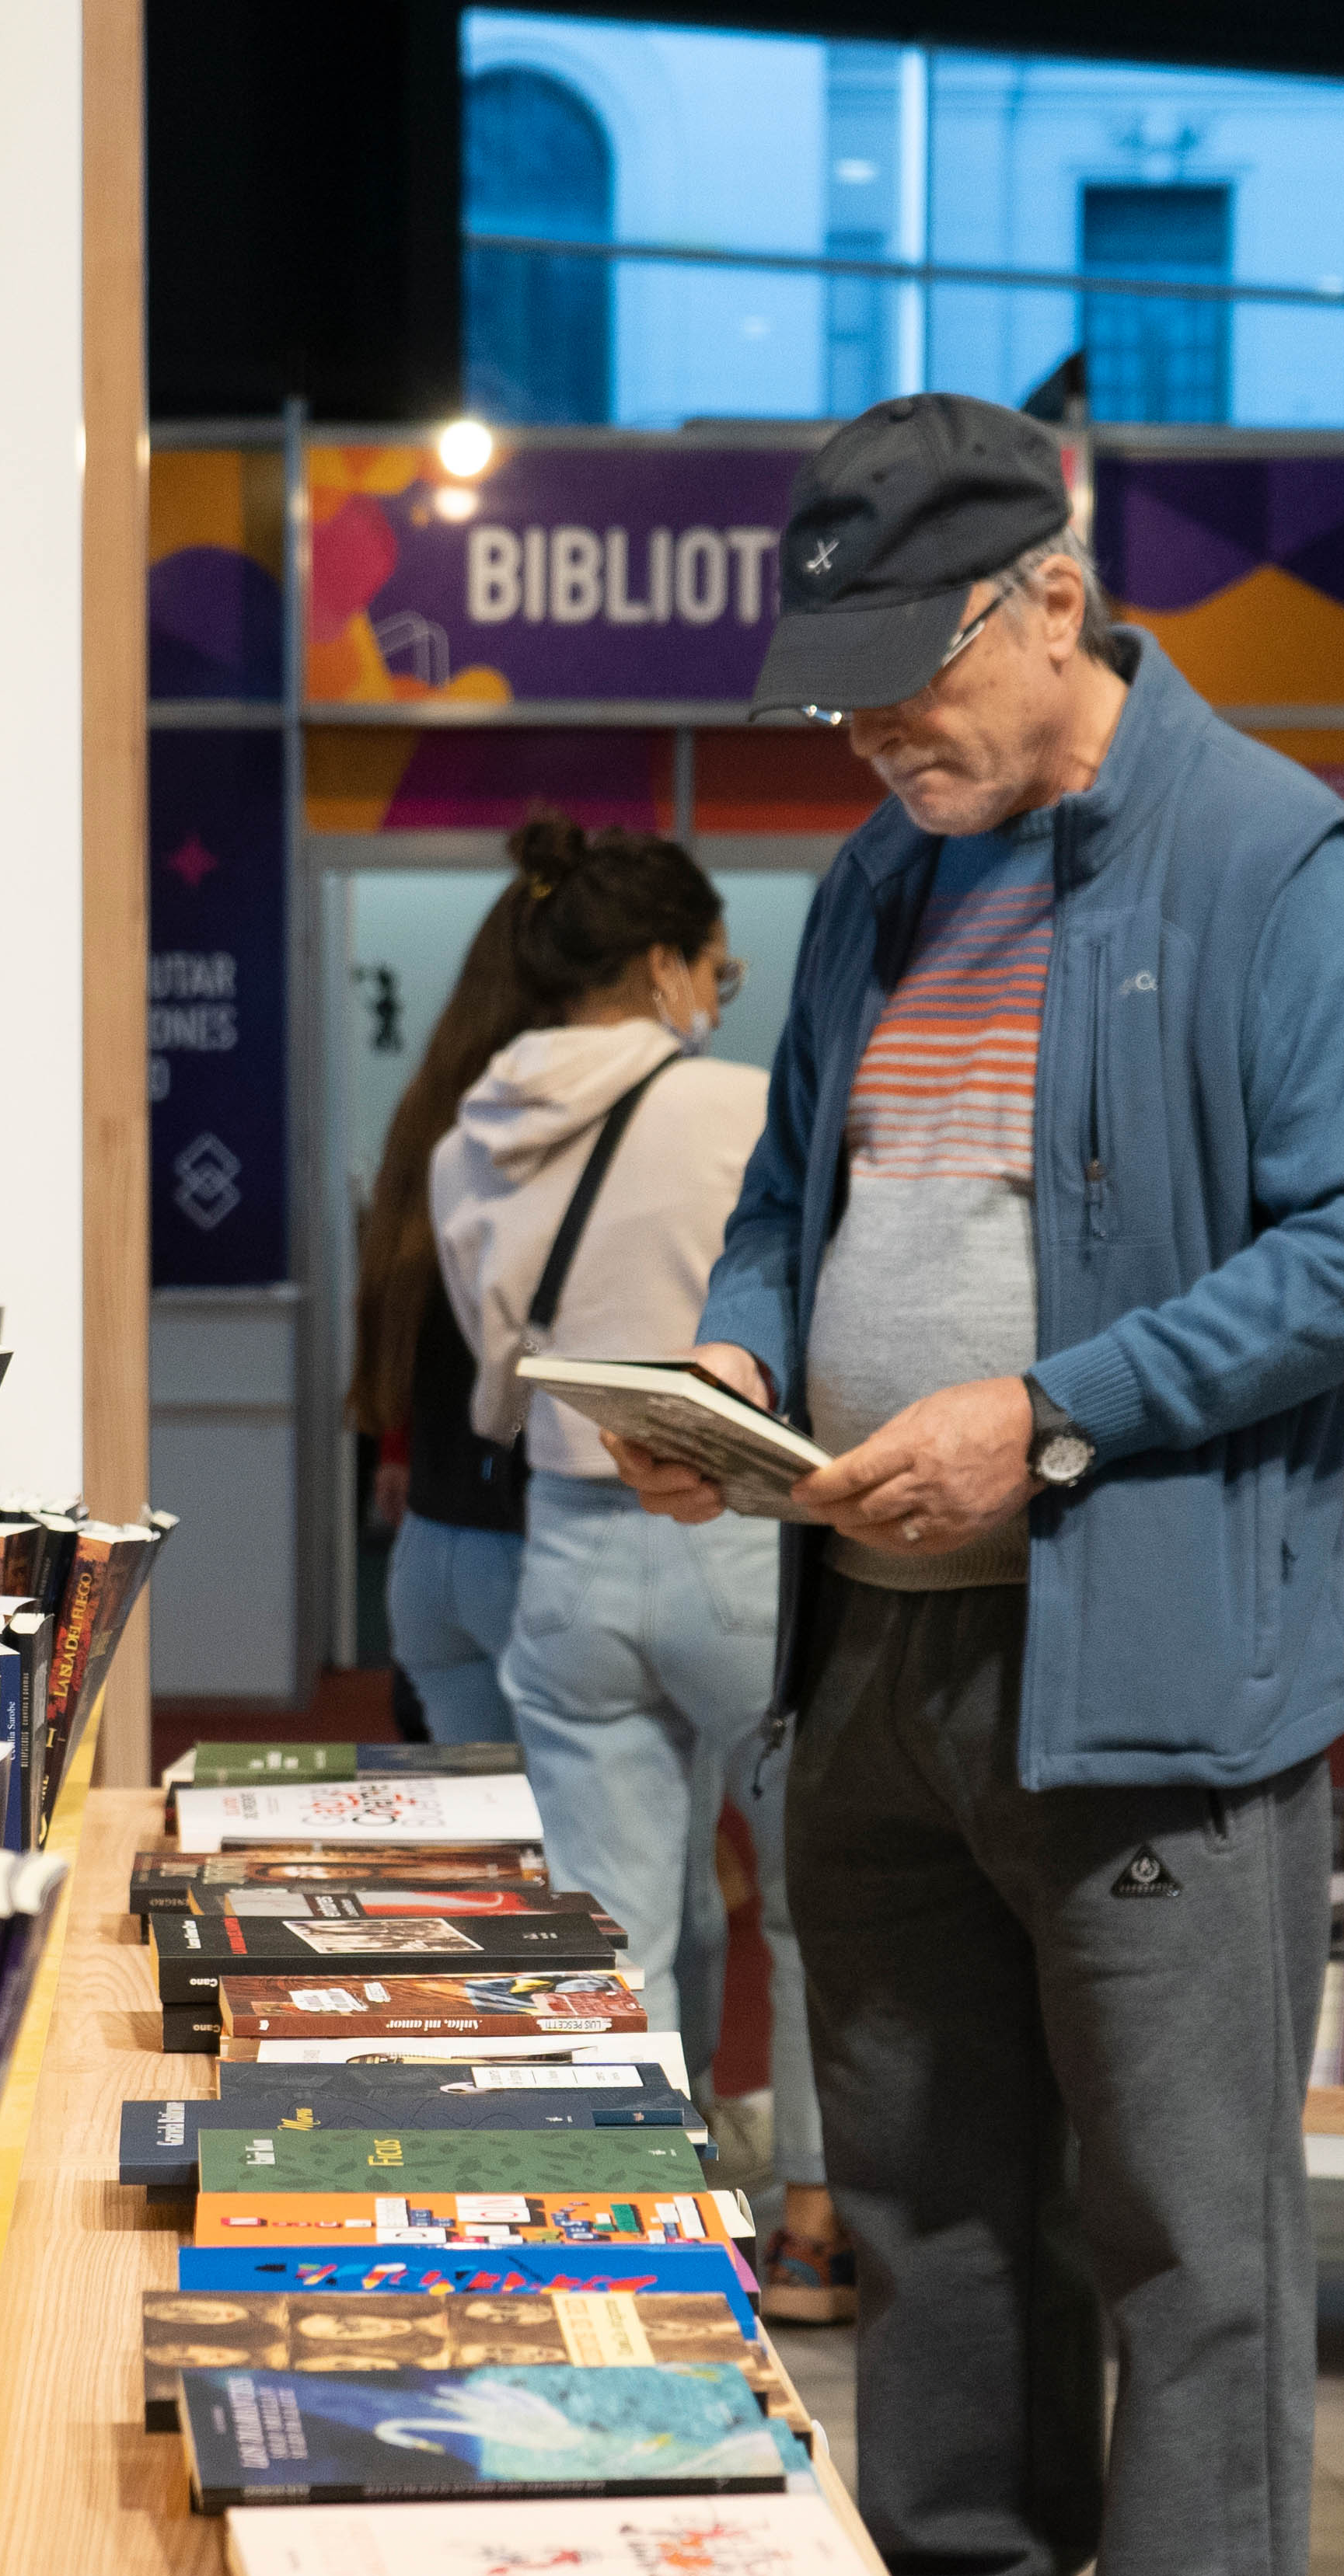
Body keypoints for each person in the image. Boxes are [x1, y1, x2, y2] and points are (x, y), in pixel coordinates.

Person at [606, 392, 1344, 2576]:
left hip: (1149, 1671)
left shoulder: (1275, 860)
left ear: (1050, 602)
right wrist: (745, 1372)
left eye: (909, 684)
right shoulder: (879, 878)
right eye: (841, 700)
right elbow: (787, 1203)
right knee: (928, 2196)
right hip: (870, 1657)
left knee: (1188, 2225)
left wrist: (1052, 1417)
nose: (875, 739)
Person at [424, 814, 833, 2309]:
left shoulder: (473, 1130)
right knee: (812, 1907)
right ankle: (814, 2234)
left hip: (569, 1553)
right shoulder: (738, 1109)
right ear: (664, 967)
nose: (719, 995)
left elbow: (492, 1379)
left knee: (608, 1924)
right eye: (713, 967)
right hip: (742, 1538)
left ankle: (633, 2250)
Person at [346, 863, 553, 1751]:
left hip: (435, 1523)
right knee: (589, 1852)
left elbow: (405, 1292)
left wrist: (395, 1439)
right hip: (532, 1524)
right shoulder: (550, 1123)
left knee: (473, 1836)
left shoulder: (431, 1108)